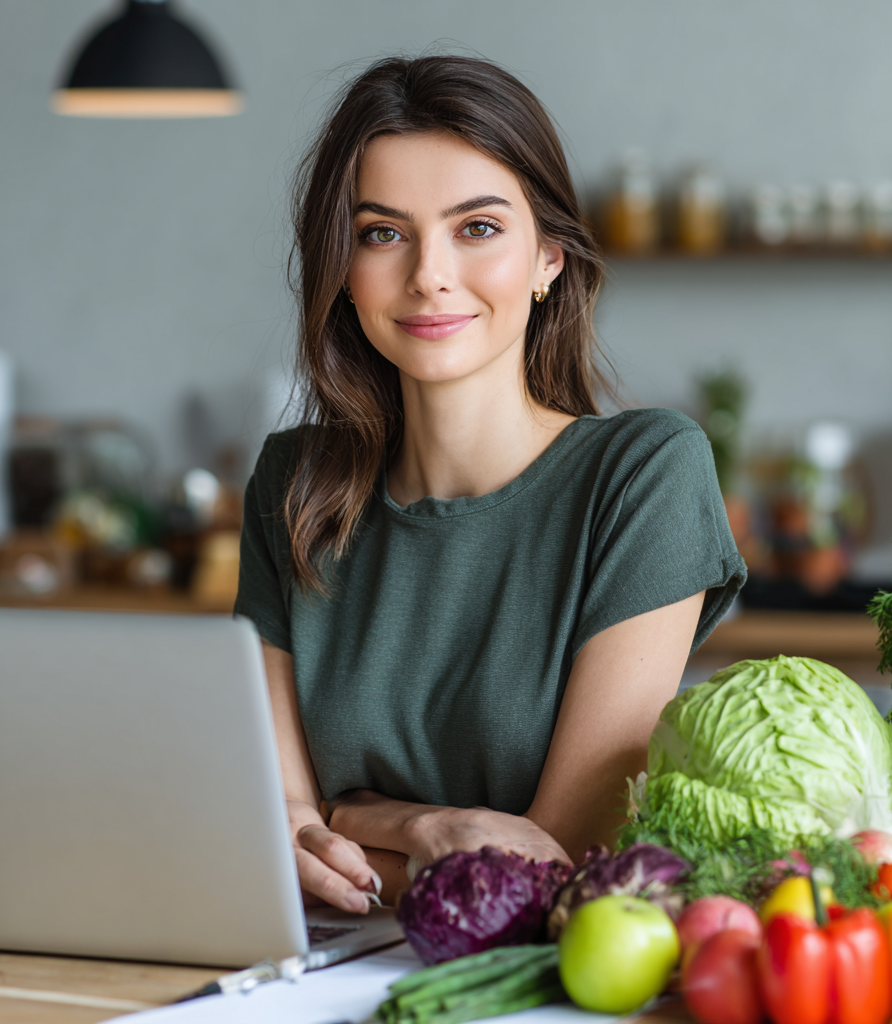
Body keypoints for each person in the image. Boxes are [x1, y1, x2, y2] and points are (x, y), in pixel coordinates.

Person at [235, 55, 746, 913]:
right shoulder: (293, 485)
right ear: (343, 270)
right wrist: (432, 832)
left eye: (476, 228)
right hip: (316, 972)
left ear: (548, 257)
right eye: (382, 233)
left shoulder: (644, 473)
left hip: (535, 979)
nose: (429, 274)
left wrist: (358, 816)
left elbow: (555, 869)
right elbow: (280, 840)